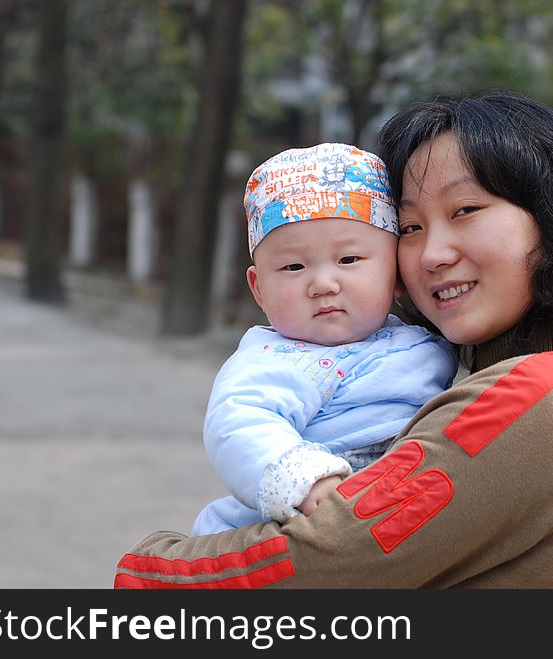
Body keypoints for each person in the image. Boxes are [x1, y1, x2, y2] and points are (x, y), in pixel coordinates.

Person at [115, 89, 553, 588]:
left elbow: (339, 554)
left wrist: (150, 568)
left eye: (466, 210)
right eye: (410, 227)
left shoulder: (545, 390)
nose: (431, 254)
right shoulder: (513, 365)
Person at [190, 142, 457, 535]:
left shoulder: (426, 339)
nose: (323, 284)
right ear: (258, 288)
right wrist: (306, 479)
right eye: (293, 266)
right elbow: (239, 422)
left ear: (396, 273)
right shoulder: (275, 359)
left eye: (348, 260)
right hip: (299, 518)